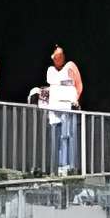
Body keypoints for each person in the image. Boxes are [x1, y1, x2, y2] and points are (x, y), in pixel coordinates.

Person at [44, 44, 84, 173]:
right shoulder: (50, 70)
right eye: (55, 56)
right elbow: (52, 79)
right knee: (57, 137)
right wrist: (63, 83)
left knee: (67, 136)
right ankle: (58, 166)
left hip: (67, 106)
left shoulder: (71, 66)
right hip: (55, 107)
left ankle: (68, 167)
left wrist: (61, 85)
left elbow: (75, 83)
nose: (58, 58)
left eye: (60, 56)